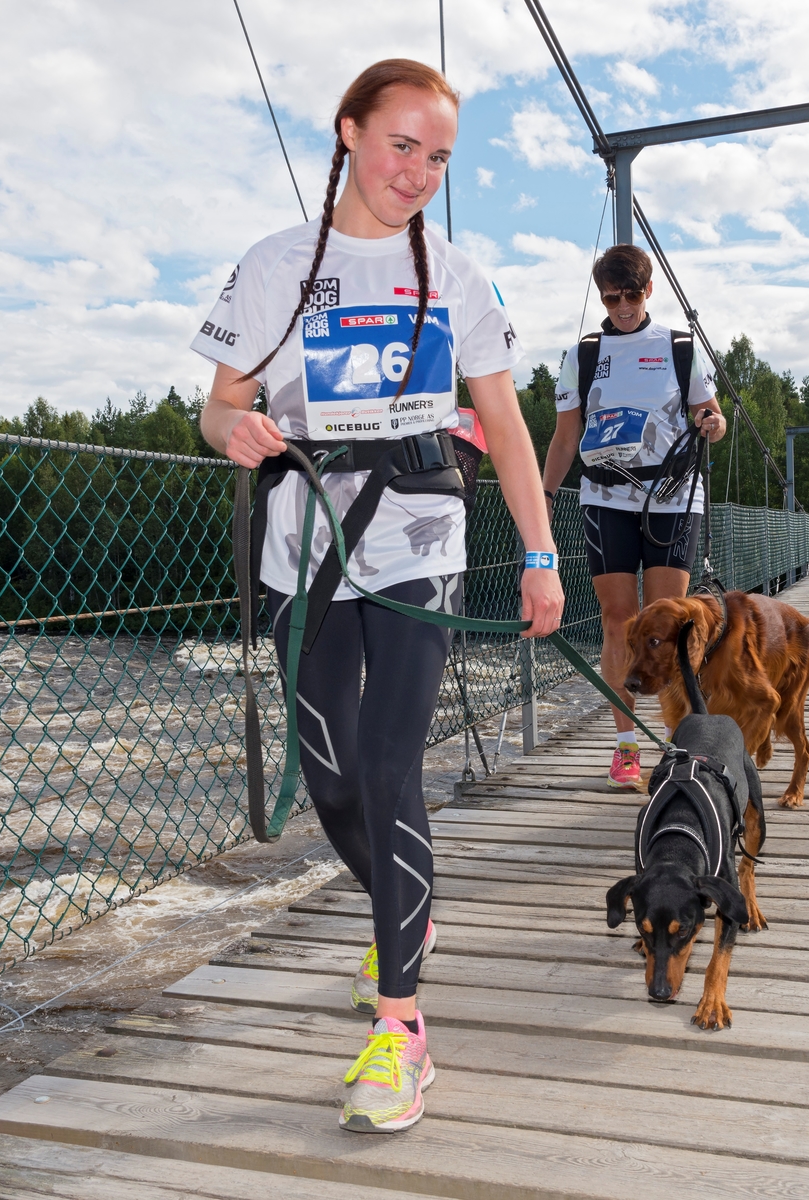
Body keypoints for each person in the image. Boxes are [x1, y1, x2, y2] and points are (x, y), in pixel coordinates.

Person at [195, 59, 564, 1134]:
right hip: (301, 552)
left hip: (414, 544)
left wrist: (539, 555)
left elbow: (500, 427)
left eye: (438, 156)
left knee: (395, 767)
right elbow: (217, 411)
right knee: (336, 782)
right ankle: (410, 911)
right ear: (348, 134)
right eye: (402, 145)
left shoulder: (456, 275)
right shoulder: (274, 267)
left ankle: (400, 1028)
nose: (418, 172)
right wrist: (243, 432)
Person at [541, 244, 725, 789]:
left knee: (666, 623)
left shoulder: (680, 347)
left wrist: (713, 423)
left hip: (671, 495)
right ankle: (625, 746)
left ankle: (676, 744)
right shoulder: (584, 354)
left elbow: (708, 414)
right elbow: (565, 434)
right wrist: (544, 498)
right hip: (604, 499)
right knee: (618, 622)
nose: (621, 306)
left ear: (649, 291)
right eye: (611, 297)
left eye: (631, 295)